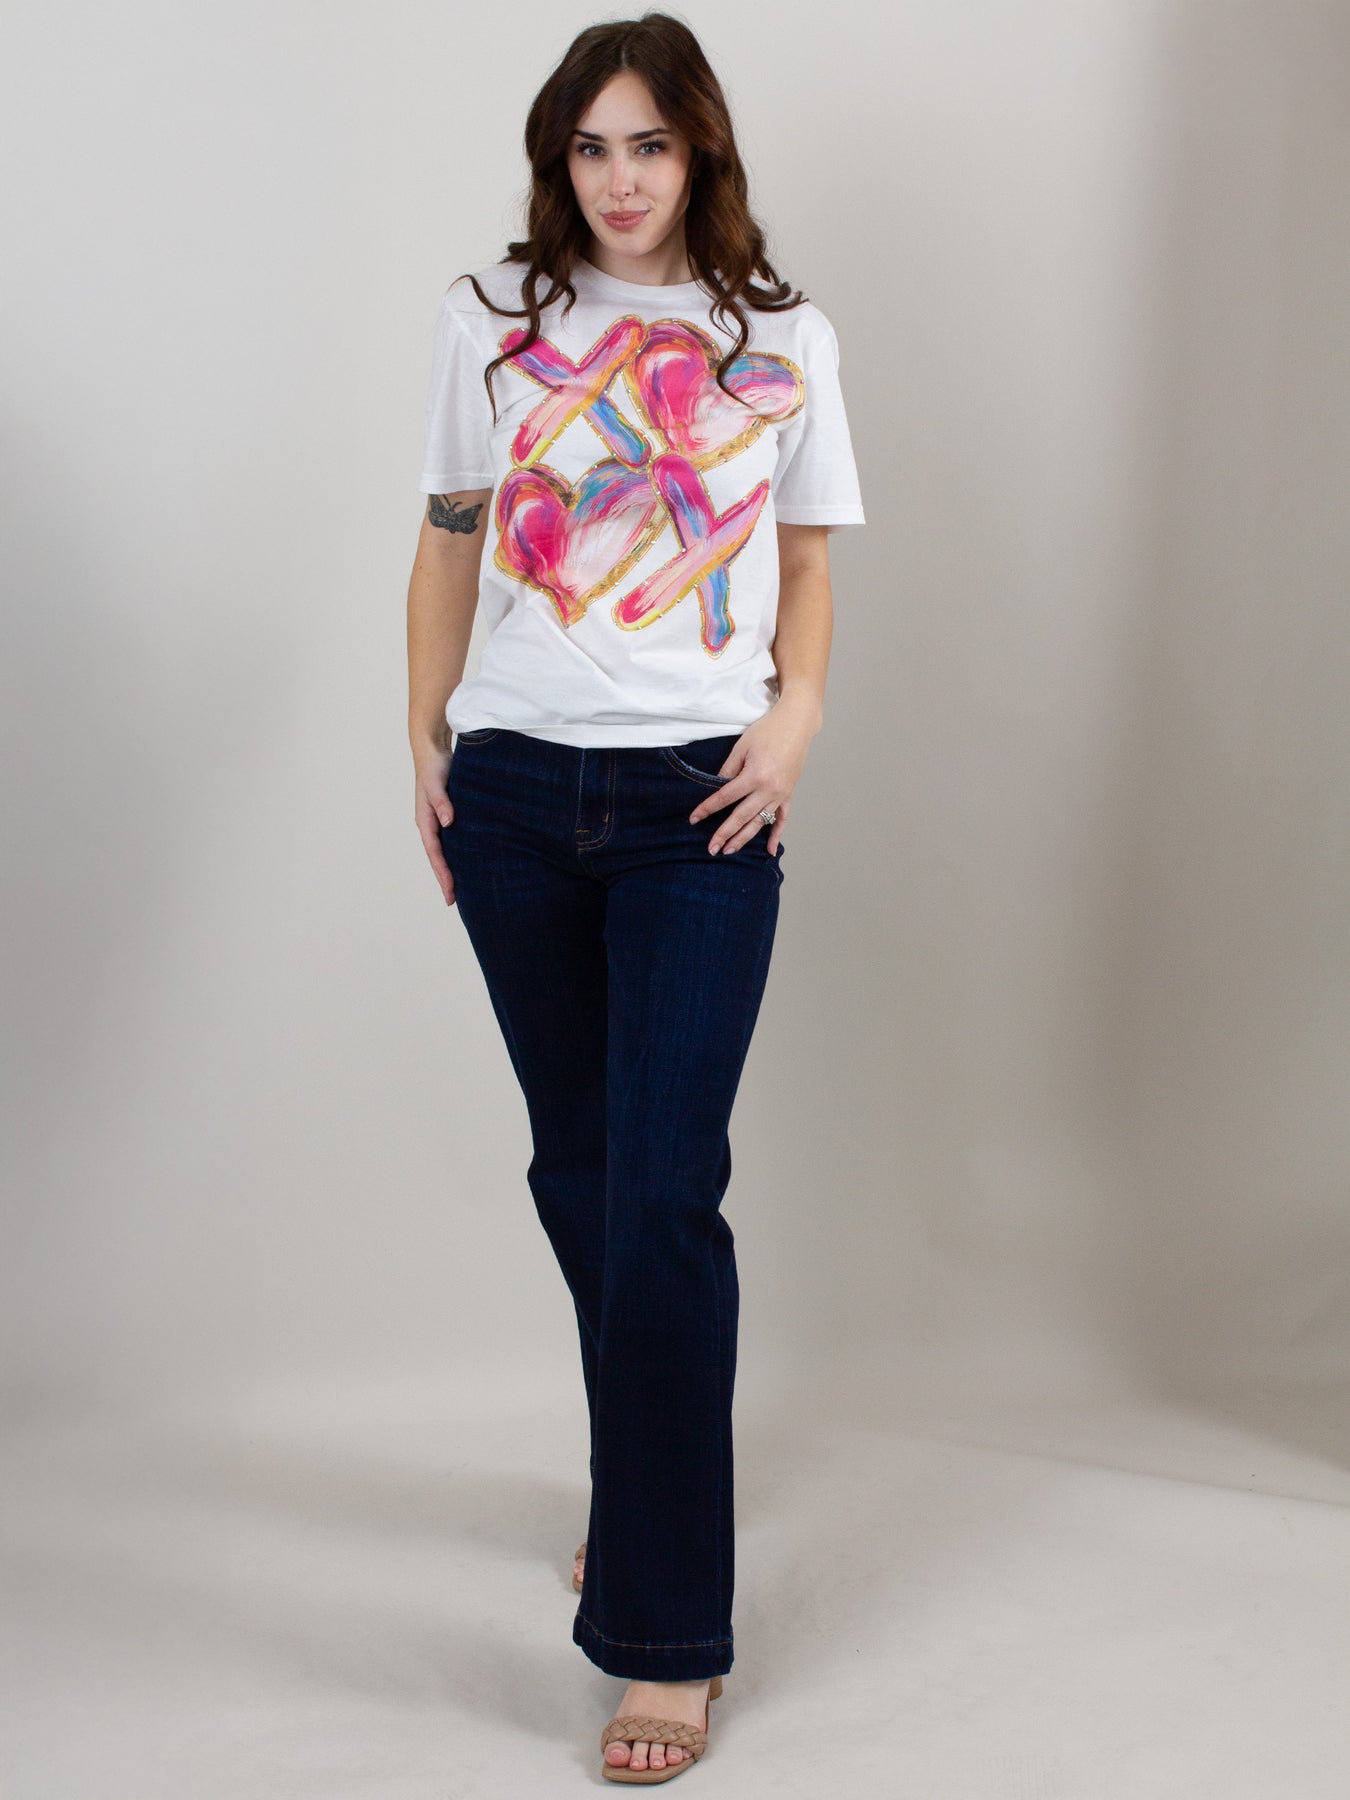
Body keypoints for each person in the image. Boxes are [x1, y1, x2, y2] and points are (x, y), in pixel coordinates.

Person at [406, 12, 864, 1782]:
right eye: (589, 148)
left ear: (699, 156)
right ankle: (648, 1490)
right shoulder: (492, 322)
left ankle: (668, 1639)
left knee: (663, 1194)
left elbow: (803, 562)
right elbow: (450, 536)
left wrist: (794, 721)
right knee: (581, 1173)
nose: (618, 180)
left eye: (648, 147)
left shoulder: (779, 340)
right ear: (559, 161)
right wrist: (426, 740)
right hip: (517, 788)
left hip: (697, 804)